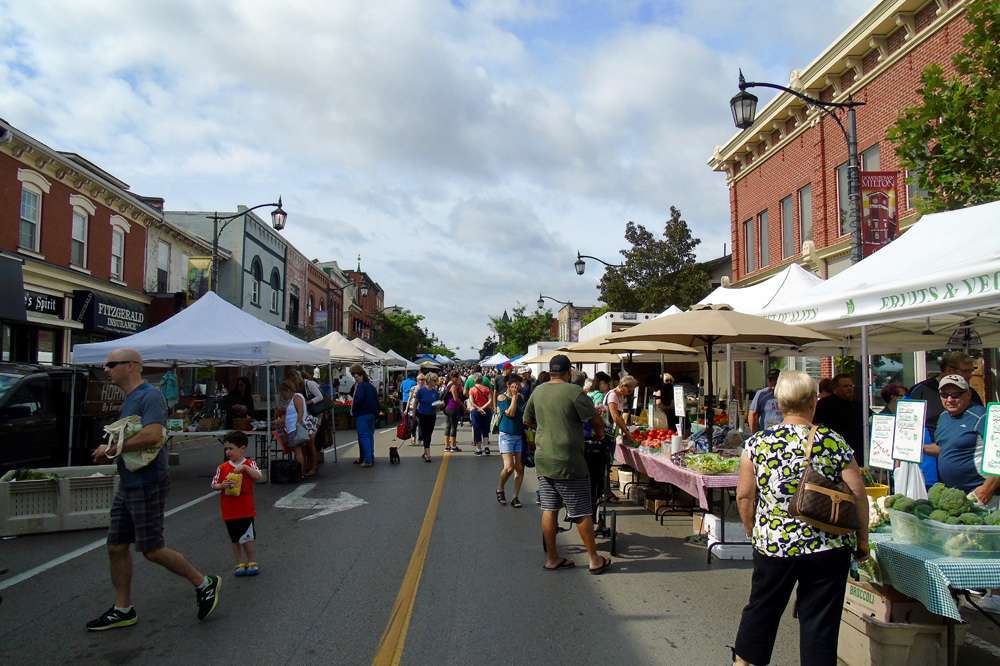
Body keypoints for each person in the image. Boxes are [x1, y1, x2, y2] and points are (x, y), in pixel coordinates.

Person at [732, 370, 869, 666]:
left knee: (762, 609)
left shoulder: (757, 444)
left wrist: (752, 532)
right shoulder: (832, 441)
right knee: (820, 622)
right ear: (813, 402)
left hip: (774, 543)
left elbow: (744, 496)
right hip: (828, 545)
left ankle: (744, 663)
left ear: (779, 403)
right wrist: (863, 539)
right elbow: (858, 494)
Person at [88, 348, 220, 631]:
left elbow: (152, 434)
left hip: (147, 482)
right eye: (106, 364)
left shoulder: (150, 395)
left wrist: (112, 449)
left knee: (152, 549)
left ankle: (204, 582)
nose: (106, 369)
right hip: (129, 480)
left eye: (112, 364)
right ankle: (123, 608)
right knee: (116, 545)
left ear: (133, 366)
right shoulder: (130, 399)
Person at [523, 354, 610, 574]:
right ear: (568, 371)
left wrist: (545, 426)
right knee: (581, 511)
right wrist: (600, 433)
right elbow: (596, 420)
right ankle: (594, 559)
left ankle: (552, 558)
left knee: (549, 508)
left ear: (551, 371)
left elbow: (527, 419)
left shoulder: (538, 390)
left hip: (544, 459)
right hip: (568, 460)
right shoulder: (573, 392)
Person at [924, 374, 999, 503]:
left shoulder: (983, 417)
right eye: (944, 395)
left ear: (968, 394)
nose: (949, 399)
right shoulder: (943, 417)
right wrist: (915, 448)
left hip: (982, 495)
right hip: (955, 494)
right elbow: (945, 448)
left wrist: (987, 488)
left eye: (955, 394)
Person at [210, 432, 263, 577]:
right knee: (235, 538)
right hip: (229, 509)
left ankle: (252, 560)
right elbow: (214, 484)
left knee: (246, 537)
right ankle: (239, 562)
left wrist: (245, 469)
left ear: (242, 449)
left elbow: (259, 476)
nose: (228, 452)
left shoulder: (249, 464)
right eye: (226, 449)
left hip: (245, 508)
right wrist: (222, 485)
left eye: (231, 448)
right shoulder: (223, 467)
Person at [909, 350, 983, 436]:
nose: (970, 375)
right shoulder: (920, 390)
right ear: (949, 370)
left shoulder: (970, 393)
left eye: (971, 371)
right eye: (966, 371)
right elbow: (906, 422)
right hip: (927, 446)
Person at [813, 373, 864, 464]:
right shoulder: (825, 404)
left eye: (851, 386)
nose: (849, 388)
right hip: (834, 450)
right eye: (845, 386)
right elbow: (816, 424)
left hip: (857, 450)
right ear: (835, 388)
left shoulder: (858, 405)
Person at [495, 375, 526, 508]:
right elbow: (510, 413)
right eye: (514, 385)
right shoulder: (502, 397)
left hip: (519, 435)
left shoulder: (522, 397)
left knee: (519, 467)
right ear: (508, 385)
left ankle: (515, 497)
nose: (517, 388)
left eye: (518, 385)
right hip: (506, 435)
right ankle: (500, 488)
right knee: (509, 467)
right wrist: (513, 397)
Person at [278, 380, 316, 476]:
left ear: (287, 390)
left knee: (298, 451)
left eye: (283, 393)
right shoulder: (293, 398)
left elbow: (301, 412)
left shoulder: (296, 397)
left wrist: (297, 424)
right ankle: (301, 471)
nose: (283, 395)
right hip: (294, 428)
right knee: (299, 451)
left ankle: (300, 473)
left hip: (295, 429)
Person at [350, 365, 379, 468]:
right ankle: (370, 456)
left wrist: (354, 409)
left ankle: (367, 460)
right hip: (371, 414)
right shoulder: (371, 386)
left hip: (362, 414)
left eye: (355, 376)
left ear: (360, 375)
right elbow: (376, 400)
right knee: (369, 436)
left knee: (364, 436)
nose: (355, 378)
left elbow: (359, 400)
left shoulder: (361, 386)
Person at [605, 375, 639, 444]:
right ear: (623, 386)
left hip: (612, 432)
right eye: (629, 391)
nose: (629, 393)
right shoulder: (613, 395)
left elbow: (620, 416)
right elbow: (616, 417)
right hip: (607, 432)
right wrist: (626, 432)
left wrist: (626, 430)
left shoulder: (620, 396)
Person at [414, 373, 440, 462]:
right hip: (422, 415)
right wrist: (413, 414)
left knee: (429, 434)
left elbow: (437, 406)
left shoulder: (435, 392)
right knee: (425, 435)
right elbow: (415, 403)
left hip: (432, 415)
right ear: (429, 381)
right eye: (434, 380)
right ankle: (428, 454)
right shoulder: (421, 391)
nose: (436, 382)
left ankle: (425, 451)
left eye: (436, 381)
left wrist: (440, 405)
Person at [468, 373, 493, 456]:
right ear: (482, 380)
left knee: (477, 429)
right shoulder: (486, 389)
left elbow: (471, 401)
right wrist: (483, 407)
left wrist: (479, 408)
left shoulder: (472, 389)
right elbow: (490, 400)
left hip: (475, 411)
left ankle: (479, 449)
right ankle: (486, 447)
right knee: (485, 429)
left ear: (474, 380)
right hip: (486, 410)